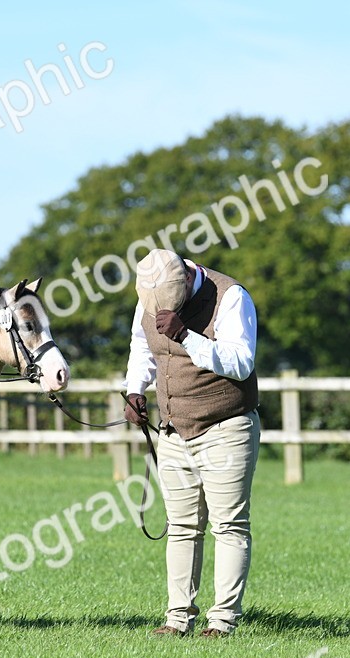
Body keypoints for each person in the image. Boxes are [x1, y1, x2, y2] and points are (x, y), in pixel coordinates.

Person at [122, 248, 260, 638]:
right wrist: (135, 390)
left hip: (226, 426)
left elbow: (241, 361)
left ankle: (223, 622)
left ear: (186, 278)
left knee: (229, 525)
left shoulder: (231, 296)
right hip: (173, 430)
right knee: (181, 527)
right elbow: (141, 346)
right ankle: (177, 618)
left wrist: (186, 334)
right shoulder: (151, 293)